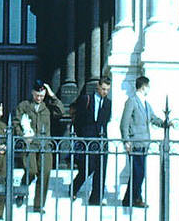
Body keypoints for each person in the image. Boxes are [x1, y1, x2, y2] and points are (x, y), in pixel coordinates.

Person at [14, 81, 64, 212]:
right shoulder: (25, 105)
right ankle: (21, 192)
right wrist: (22, 135)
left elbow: (61, 111)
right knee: (31, 171)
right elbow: (16, 122)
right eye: (37, 95)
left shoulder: (48, 106)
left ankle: (38, 205)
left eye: (42, 96)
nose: (39, 98)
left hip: (45, 145)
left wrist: (52, 95)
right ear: (32, 93)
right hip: (30, 145)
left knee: (45, 173)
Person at [119, 76, 165, 208]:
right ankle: (134, 199)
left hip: (144, 143)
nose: (149, 89)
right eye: (148, 86)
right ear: (144, 86)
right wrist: (126, 141)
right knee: (138, 173)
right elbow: (124, 123)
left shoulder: (146, 103)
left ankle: (131, 198)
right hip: (135, 143)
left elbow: (153, 118)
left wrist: (165, 123)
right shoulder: (132, 101)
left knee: (138, 172)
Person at [70, 76, 112, 206]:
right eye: (103, 89)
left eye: (108, 90)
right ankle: (74, 188)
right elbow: (78, 119)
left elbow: (106, 121)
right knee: (89, 166)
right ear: (98, 87)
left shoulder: (108, 103)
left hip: (102, 138)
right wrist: (82, 136)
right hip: (88, 138)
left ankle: (96, 198)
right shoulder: (86, 99)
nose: (105, 92)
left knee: (101, 168)